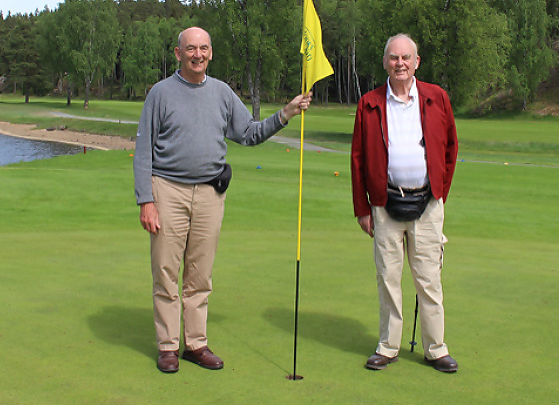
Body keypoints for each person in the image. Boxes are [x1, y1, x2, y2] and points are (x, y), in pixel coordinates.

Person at [133, 26, 312, 374]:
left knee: (200, 275)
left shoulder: (222, 93)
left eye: (203, 49)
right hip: (167, 189)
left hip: (210, 194)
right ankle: (168, 346)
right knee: (166, 272)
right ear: (177, 53)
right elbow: (143, 151)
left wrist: (286, 113)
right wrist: (146, 200)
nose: (197, 55)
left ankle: (195, 344)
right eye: (190, 49)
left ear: (211, 53)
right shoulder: (160, 93)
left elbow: (249, 133)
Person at [350, 33, 459, 373]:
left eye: (405, 58)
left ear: (416, 62)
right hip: (384, 205)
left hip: (427, 204)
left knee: (429, 279)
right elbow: (357, 160)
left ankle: (435, 349)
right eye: (393, 57)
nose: (399, 63)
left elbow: (451, 149)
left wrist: (439, 191)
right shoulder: (369, 103)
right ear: (385, 62)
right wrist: (362, 209)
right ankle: (388, 346)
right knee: (389, 278)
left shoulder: (436, 97)